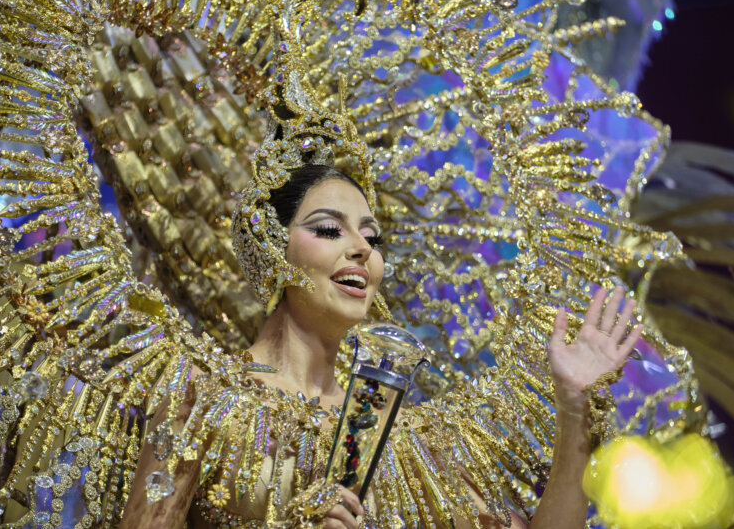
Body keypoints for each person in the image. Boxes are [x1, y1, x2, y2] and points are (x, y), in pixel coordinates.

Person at [120, 165, 642, 529]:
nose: (362, 248)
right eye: (328, 229)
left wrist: (574, 408)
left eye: (373, 238)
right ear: (270, 246)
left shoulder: (398, 437)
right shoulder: (203, 402)